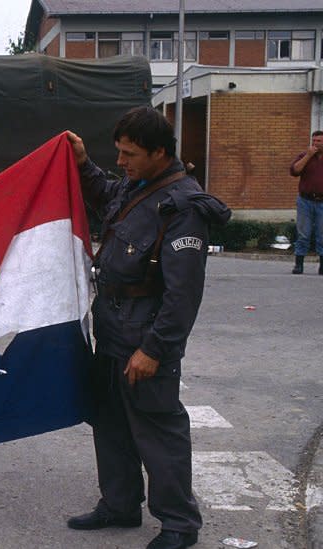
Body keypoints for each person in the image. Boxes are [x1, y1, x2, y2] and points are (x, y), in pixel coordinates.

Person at [64, 107, 231, 549]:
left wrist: (156, 350)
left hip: (145, 333)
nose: (121, 161)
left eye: (129, 153)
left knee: (157, 427)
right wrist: (83, 163)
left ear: (160, 152)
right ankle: (119, 505)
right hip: (114, 324)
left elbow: (182, 295)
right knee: (111, 420)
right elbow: (106, 197)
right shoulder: (137, 187)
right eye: (118, 152)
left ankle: (179, 524)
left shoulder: (183, 207)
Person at [288, 130, 323, 275]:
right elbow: (294, 171)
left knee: (322, 235)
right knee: (303, 233)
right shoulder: (304, 156)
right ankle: (299, 264)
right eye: (313, 141)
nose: (315, 144)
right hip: (305, 200)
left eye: (319, 141)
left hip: (322, 201)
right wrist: (308, 155)